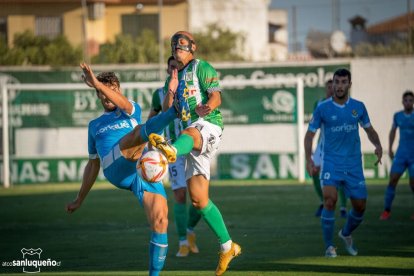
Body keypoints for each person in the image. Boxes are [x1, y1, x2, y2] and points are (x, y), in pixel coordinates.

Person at [66, 63, 179, 276]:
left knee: (161, 220)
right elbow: (93, 164)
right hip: (114, 167)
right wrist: (79, 198)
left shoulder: (131, 109)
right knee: (139, 132)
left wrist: (99, 84)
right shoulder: (95, 125)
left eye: (113, 90)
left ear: (119, 90)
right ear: (98, 95)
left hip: (140, 169)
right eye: (102, 92)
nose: (108, 96)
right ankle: (173, 116)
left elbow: (123, 104)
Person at [149, 31, 241, 275]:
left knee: (190, 132)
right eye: (174, 44)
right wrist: (171, 90)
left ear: (192, 47)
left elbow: (216, 96)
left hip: (208, 125)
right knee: (199, 200)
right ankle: (228, 246)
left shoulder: (202, 66)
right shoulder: (176, 80)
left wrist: (207, 107)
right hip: (190, 139)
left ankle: (170, 149)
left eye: (182, 44)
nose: (177, 47)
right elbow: (169, 111)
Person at [304, 68, 382, 258]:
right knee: (329, 201)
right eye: (336, 82)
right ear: (333, 83)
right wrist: (309, 158)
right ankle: (329, 247)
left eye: (343, 82)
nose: (339, 86)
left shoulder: (359, 107)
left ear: (349, 84)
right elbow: (310, 135)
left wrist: (378, 145)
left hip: (354, 164)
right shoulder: (322, 108)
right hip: (331, 162)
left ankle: (346, 233)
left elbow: (369, 130)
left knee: (360, 206)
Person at [148, 56, 201, 257]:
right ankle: (182, 242)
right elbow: (154, 117)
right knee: (180, 195)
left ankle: (189, 231)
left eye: (178, 66)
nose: (175, 70)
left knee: (199, 200)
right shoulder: (160, 93)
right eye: (172, 67)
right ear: (168, 69)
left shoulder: (192, 88)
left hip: (193, 146)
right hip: (172, 150)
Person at [312, 80, 348, 218]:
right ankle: (323, 202)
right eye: (328, 87)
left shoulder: (343, 104)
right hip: (322, 144)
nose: (330, 90)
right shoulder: (319, 103)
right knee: (314, 171)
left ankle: (343, 207)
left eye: (333, 87)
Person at [379, 90, 414, 220]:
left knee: (413, 184)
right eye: (406, 100)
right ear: (402, 102)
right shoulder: (397, 116)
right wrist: (390, 148)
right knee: (392, 181)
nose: (408, 102)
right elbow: (393, 131)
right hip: (401, 154)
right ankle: (386, 211)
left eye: (411, 100)